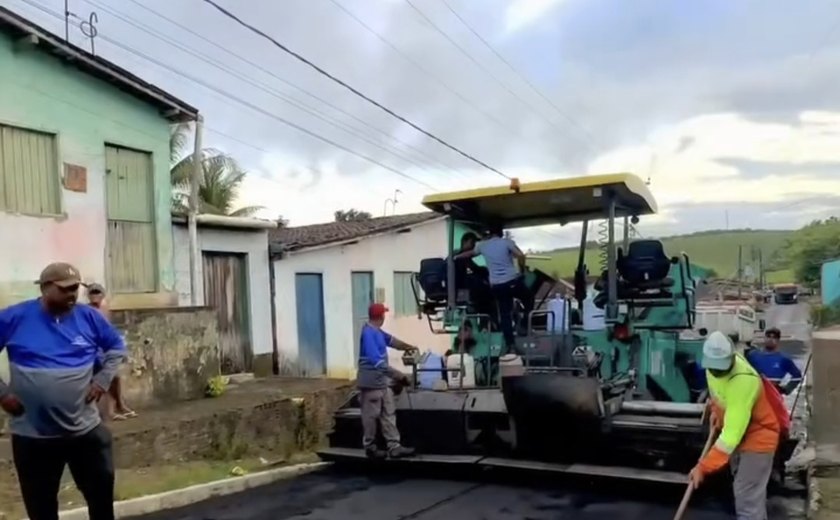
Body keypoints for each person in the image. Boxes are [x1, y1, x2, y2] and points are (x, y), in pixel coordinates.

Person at [0, 262, 126, 520]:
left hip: (84, 432)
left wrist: (102, 380)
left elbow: (116, 348)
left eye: (75, 289)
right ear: (45, 288)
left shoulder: (89, 317)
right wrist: (2, 394)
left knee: (101, 500)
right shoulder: (14, 317)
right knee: (41, 508)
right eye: (65, 289)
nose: (72, 295)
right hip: (33, 436)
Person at [689, 331, 781, 520]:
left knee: (747, 499)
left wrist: (703, 467)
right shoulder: (712, 367)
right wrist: (716, 412)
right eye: (713, 368)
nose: (716, 372)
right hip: (741, 435)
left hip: (759, 438)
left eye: (721, 368)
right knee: (748, 493)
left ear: (731, 358)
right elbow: (718, 393)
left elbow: (729, 439)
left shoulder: (744, 381)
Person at [455, 224, 533, 352]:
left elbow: (470, 254)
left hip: (497, 286)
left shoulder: (483, 245)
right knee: (528, 297)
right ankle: (524, 325)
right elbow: (520, 255)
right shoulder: (507, 242)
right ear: (501, 233)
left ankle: (510, 345)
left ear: (489, 233)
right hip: (511, 281)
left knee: (505, 314)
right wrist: (522, 270)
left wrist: (457, 256)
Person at [357, 302, 419, 459]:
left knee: (389, 413)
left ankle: (394, 446)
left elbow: (392, 341)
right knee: (371, 416)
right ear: (381, 316)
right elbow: (377, 363)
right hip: (371, 384)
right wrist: (399, 376)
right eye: (384, 314)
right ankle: (370, 447)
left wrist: (409, 347)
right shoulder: (368, 334)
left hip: (382, 382)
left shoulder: (377, 332)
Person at [86, 283, 136, 421]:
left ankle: (119, 405)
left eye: (97, 292)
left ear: (103, 294)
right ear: (88, 295)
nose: (95, 295)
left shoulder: (105, 308)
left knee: (114, 377)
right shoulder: (87, 310)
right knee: (106, 377)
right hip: (94, 348)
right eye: (92, 293)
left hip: (105, 346)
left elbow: (108, 330)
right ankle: (111, 411)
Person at [746, 327, 802, 395]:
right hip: (754, 393)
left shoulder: (784, 359)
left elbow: (797, 376)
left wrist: (786, 389)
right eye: (768, 336)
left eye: (774, 337)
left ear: (778, 340)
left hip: (773, 395)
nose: (771, 339)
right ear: (764, 338)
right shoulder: (752, 355)